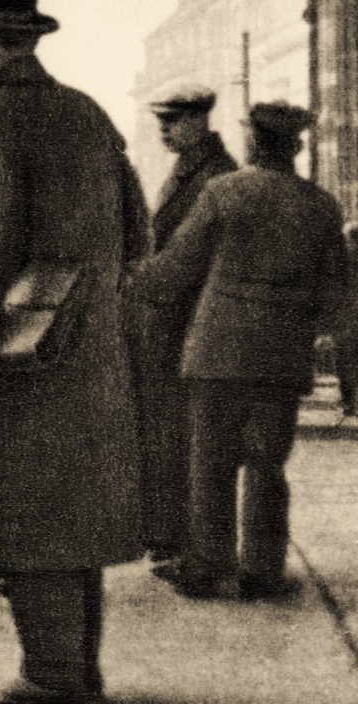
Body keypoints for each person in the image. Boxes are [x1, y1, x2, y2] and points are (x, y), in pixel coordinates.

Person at [0, 0, 147, 704]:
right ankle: (77, 668)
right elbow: (137, 228)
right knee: (76, 505)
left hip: (30, 343)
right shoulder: (85, 111)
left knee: (29, 500)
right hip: (97, 336)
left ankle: (50, 673)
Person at [132, 102, 345, 601]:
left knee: (211, 462)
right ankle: (263, 569)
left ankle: (208, 565)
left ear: (252, 142)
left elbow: (175, 270)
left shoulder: (223, 193)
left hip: (217, 351)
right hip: (281, 357)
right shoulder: (320, 205)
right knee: (268, 464)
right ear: (295, 146)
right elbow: (337, 293)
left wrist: (135, 278)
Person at [130, 84, 238, 563]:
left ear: (199, 121)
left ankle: (182, 538)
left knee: (184, 433)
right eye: (160, 122)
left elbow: (189, 258)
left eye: (171, 121)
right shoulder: (190, 168)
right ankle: (168, 533)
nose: (163, 131)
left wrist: (138, 281)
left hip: (190, 319)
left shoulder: (217, 174)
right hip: (172, 318)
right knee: (167, 429)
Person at [333, 221, 358, 419]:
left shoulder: (341, 261)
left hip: (346, 316)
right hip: (346, 315)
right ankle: (350, 400)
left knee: (345, 358)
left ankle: (349, 401)